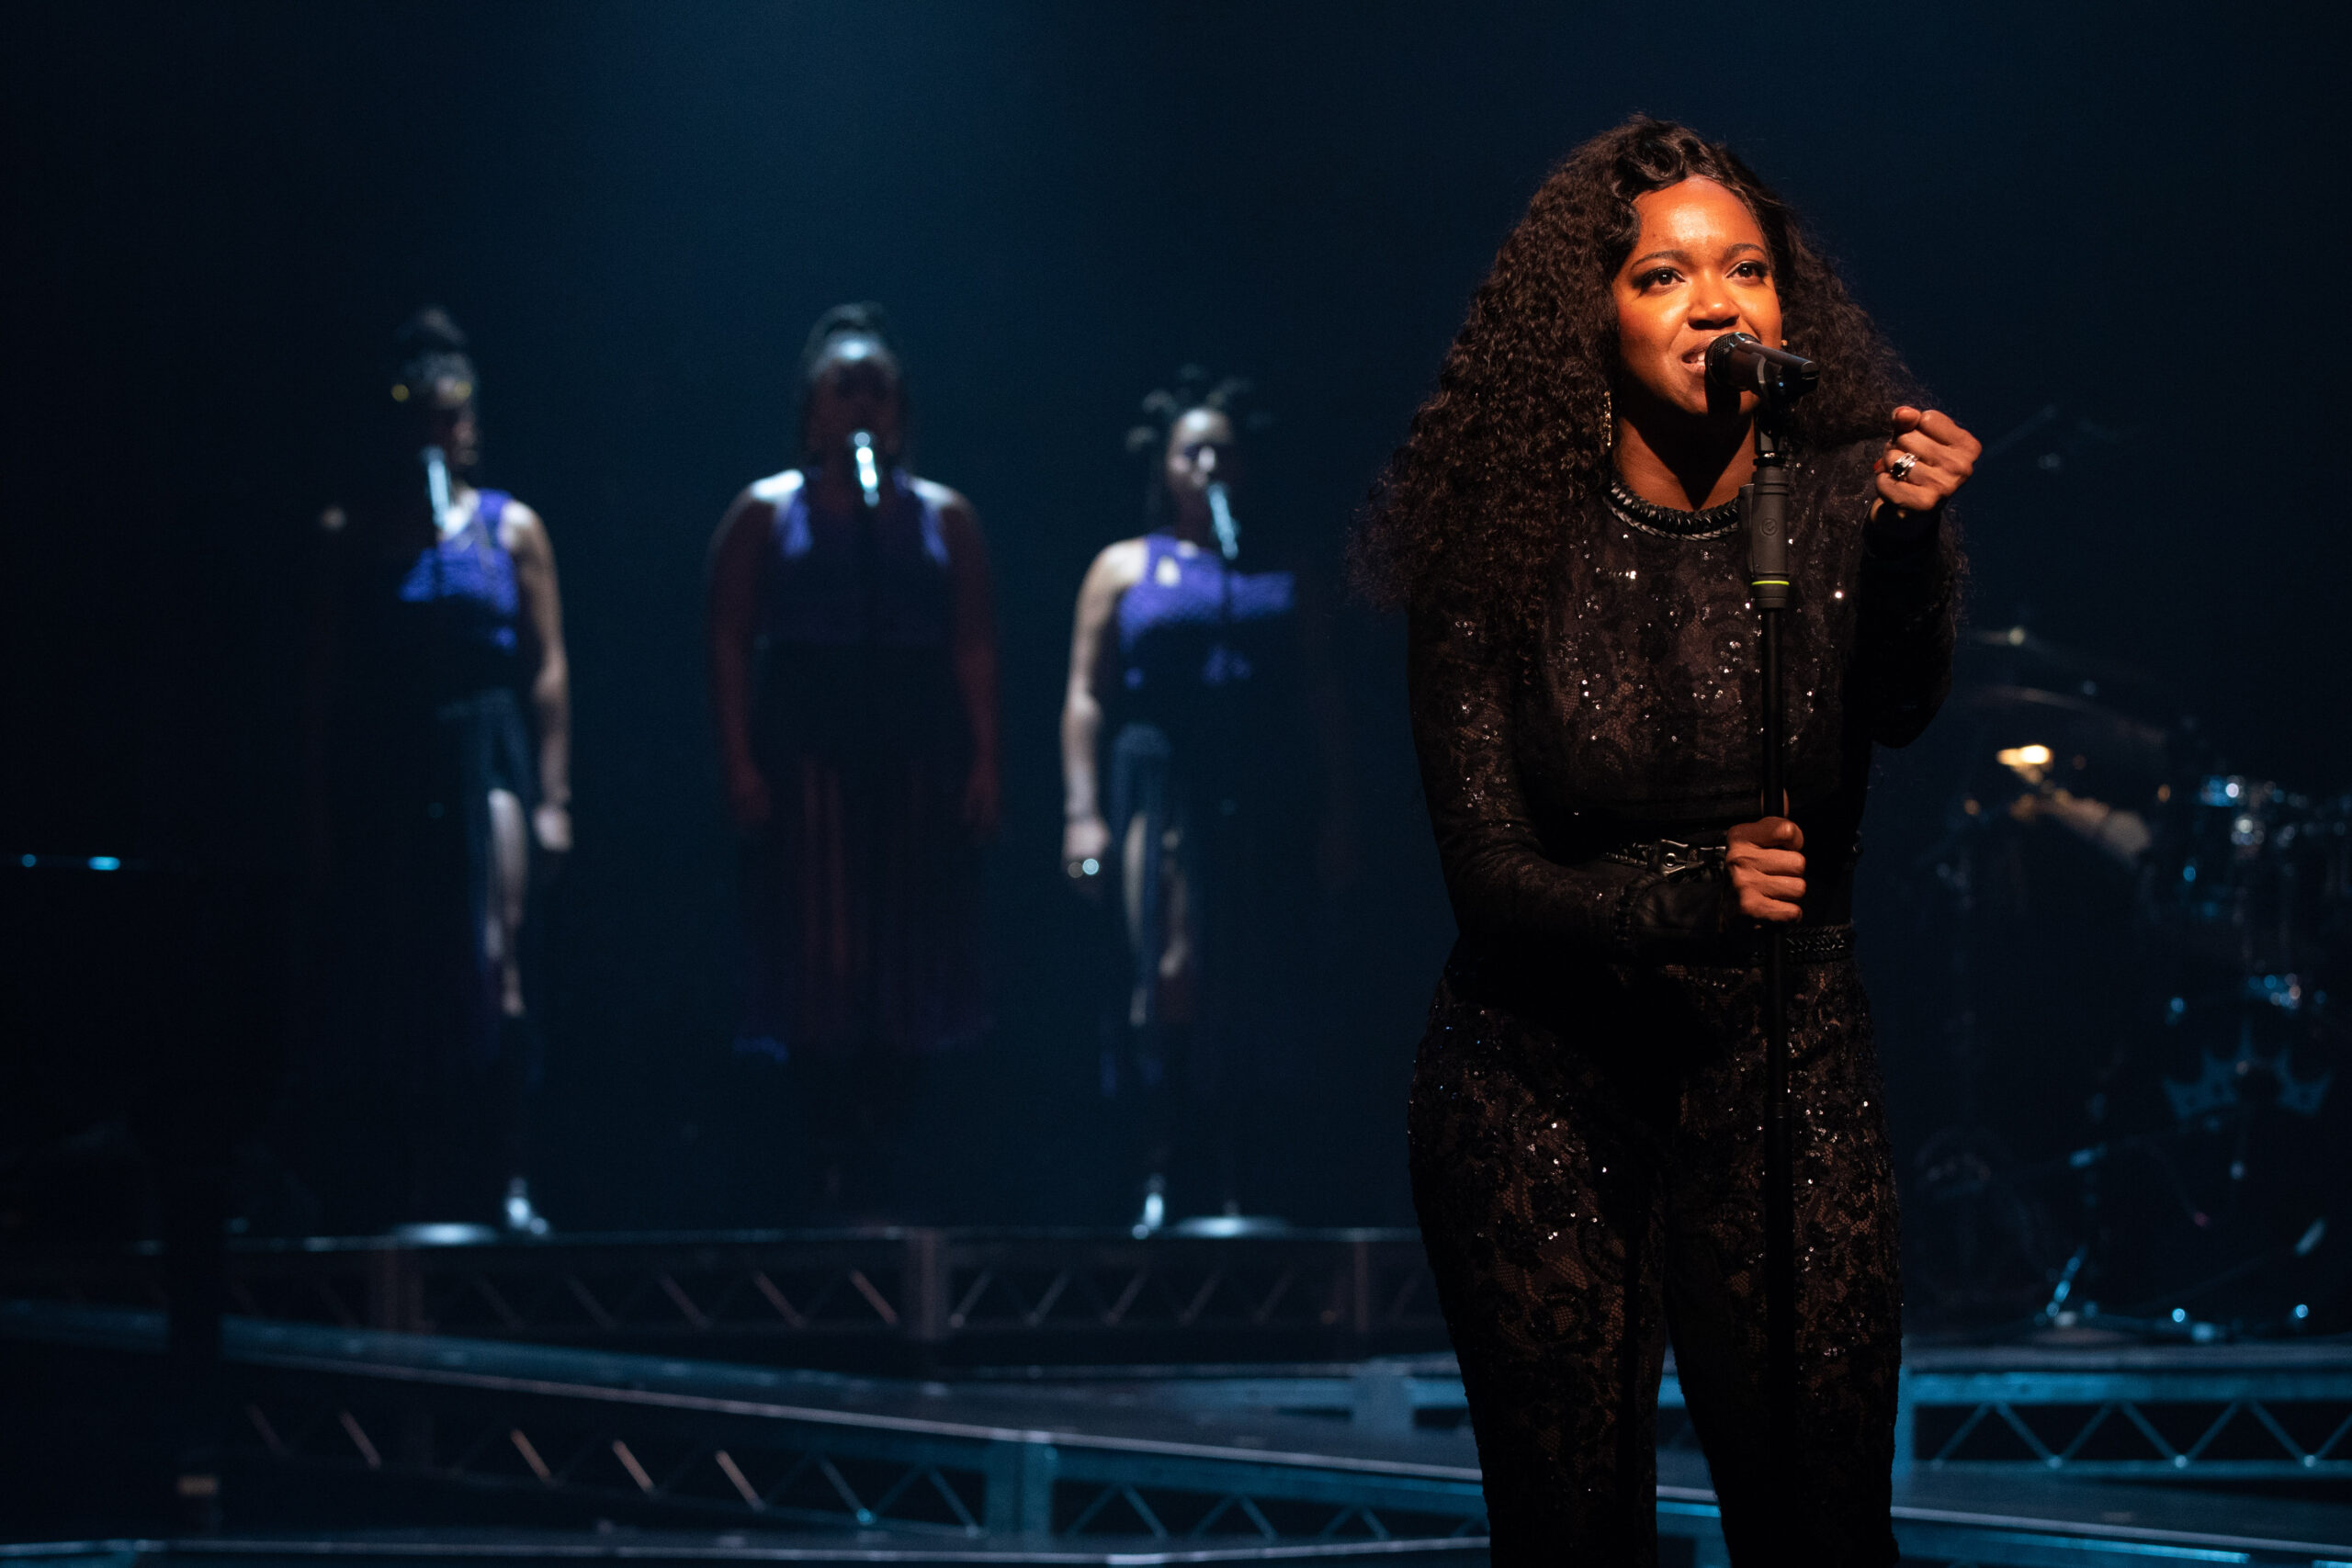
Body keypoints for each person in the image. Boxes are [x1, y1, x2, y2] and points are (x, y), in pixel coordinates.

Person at [1352, 118, 1977, 1563]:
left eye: (1748, 269)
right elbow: (1489, 874)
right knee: (1575, 1534)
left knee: (1821, 1526)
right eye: (1666, 275)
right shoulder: (1492, 537)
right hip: (1541, 1083)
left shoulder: (1841, 506)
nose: (1718, 303)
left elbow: (1900, 706)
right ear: (1591, 313)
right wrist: (1689, 897)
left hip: (1784, 1070)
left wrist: (1903, 547)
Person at [707, 303, 997, 1214]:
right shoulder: (766, 511)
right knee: (820, 950)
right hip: (806, 743)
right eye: (846, 386)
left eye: (879, 387)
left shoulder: (942, 517)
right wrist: (739, 760)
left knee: (903, 948)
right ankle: (824, 1149)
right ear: (813, 408)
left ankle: (887, 1148)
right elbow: (727, 636)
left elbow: (974, 645)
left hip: (910, 743)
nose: (864, 403)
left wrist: (987, 760)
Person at [301, 307, 570, 1235]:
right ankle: (397, 1172)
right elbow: (329, 677)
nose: (438, 430)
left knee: (495, 955)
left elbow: (546, 668)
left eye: (451, 412)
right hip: (392, 756)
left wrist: (554, 795)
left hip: (482, 745)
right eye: (420, 412)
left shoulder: (510, 530)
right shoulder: (360, 534)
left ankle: (503, 1169)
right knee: (395, 965)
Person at [1060, 373, 1345, 1230]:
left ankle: (1239, 1169)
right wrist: (1082, 811)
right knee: (1171, 961)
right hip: (1161, 775)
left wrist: (1338, 812)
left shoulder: (1278, 567)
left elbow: (1322, 697)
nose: (1210, 463)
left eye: (1225, 448)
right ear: (1167, 465)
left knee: (1252, 966)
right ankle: (1162, 1158)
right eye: (1194, 449)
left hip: (1258, 782)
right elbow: (1086, 694)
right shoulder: (1122, 565)